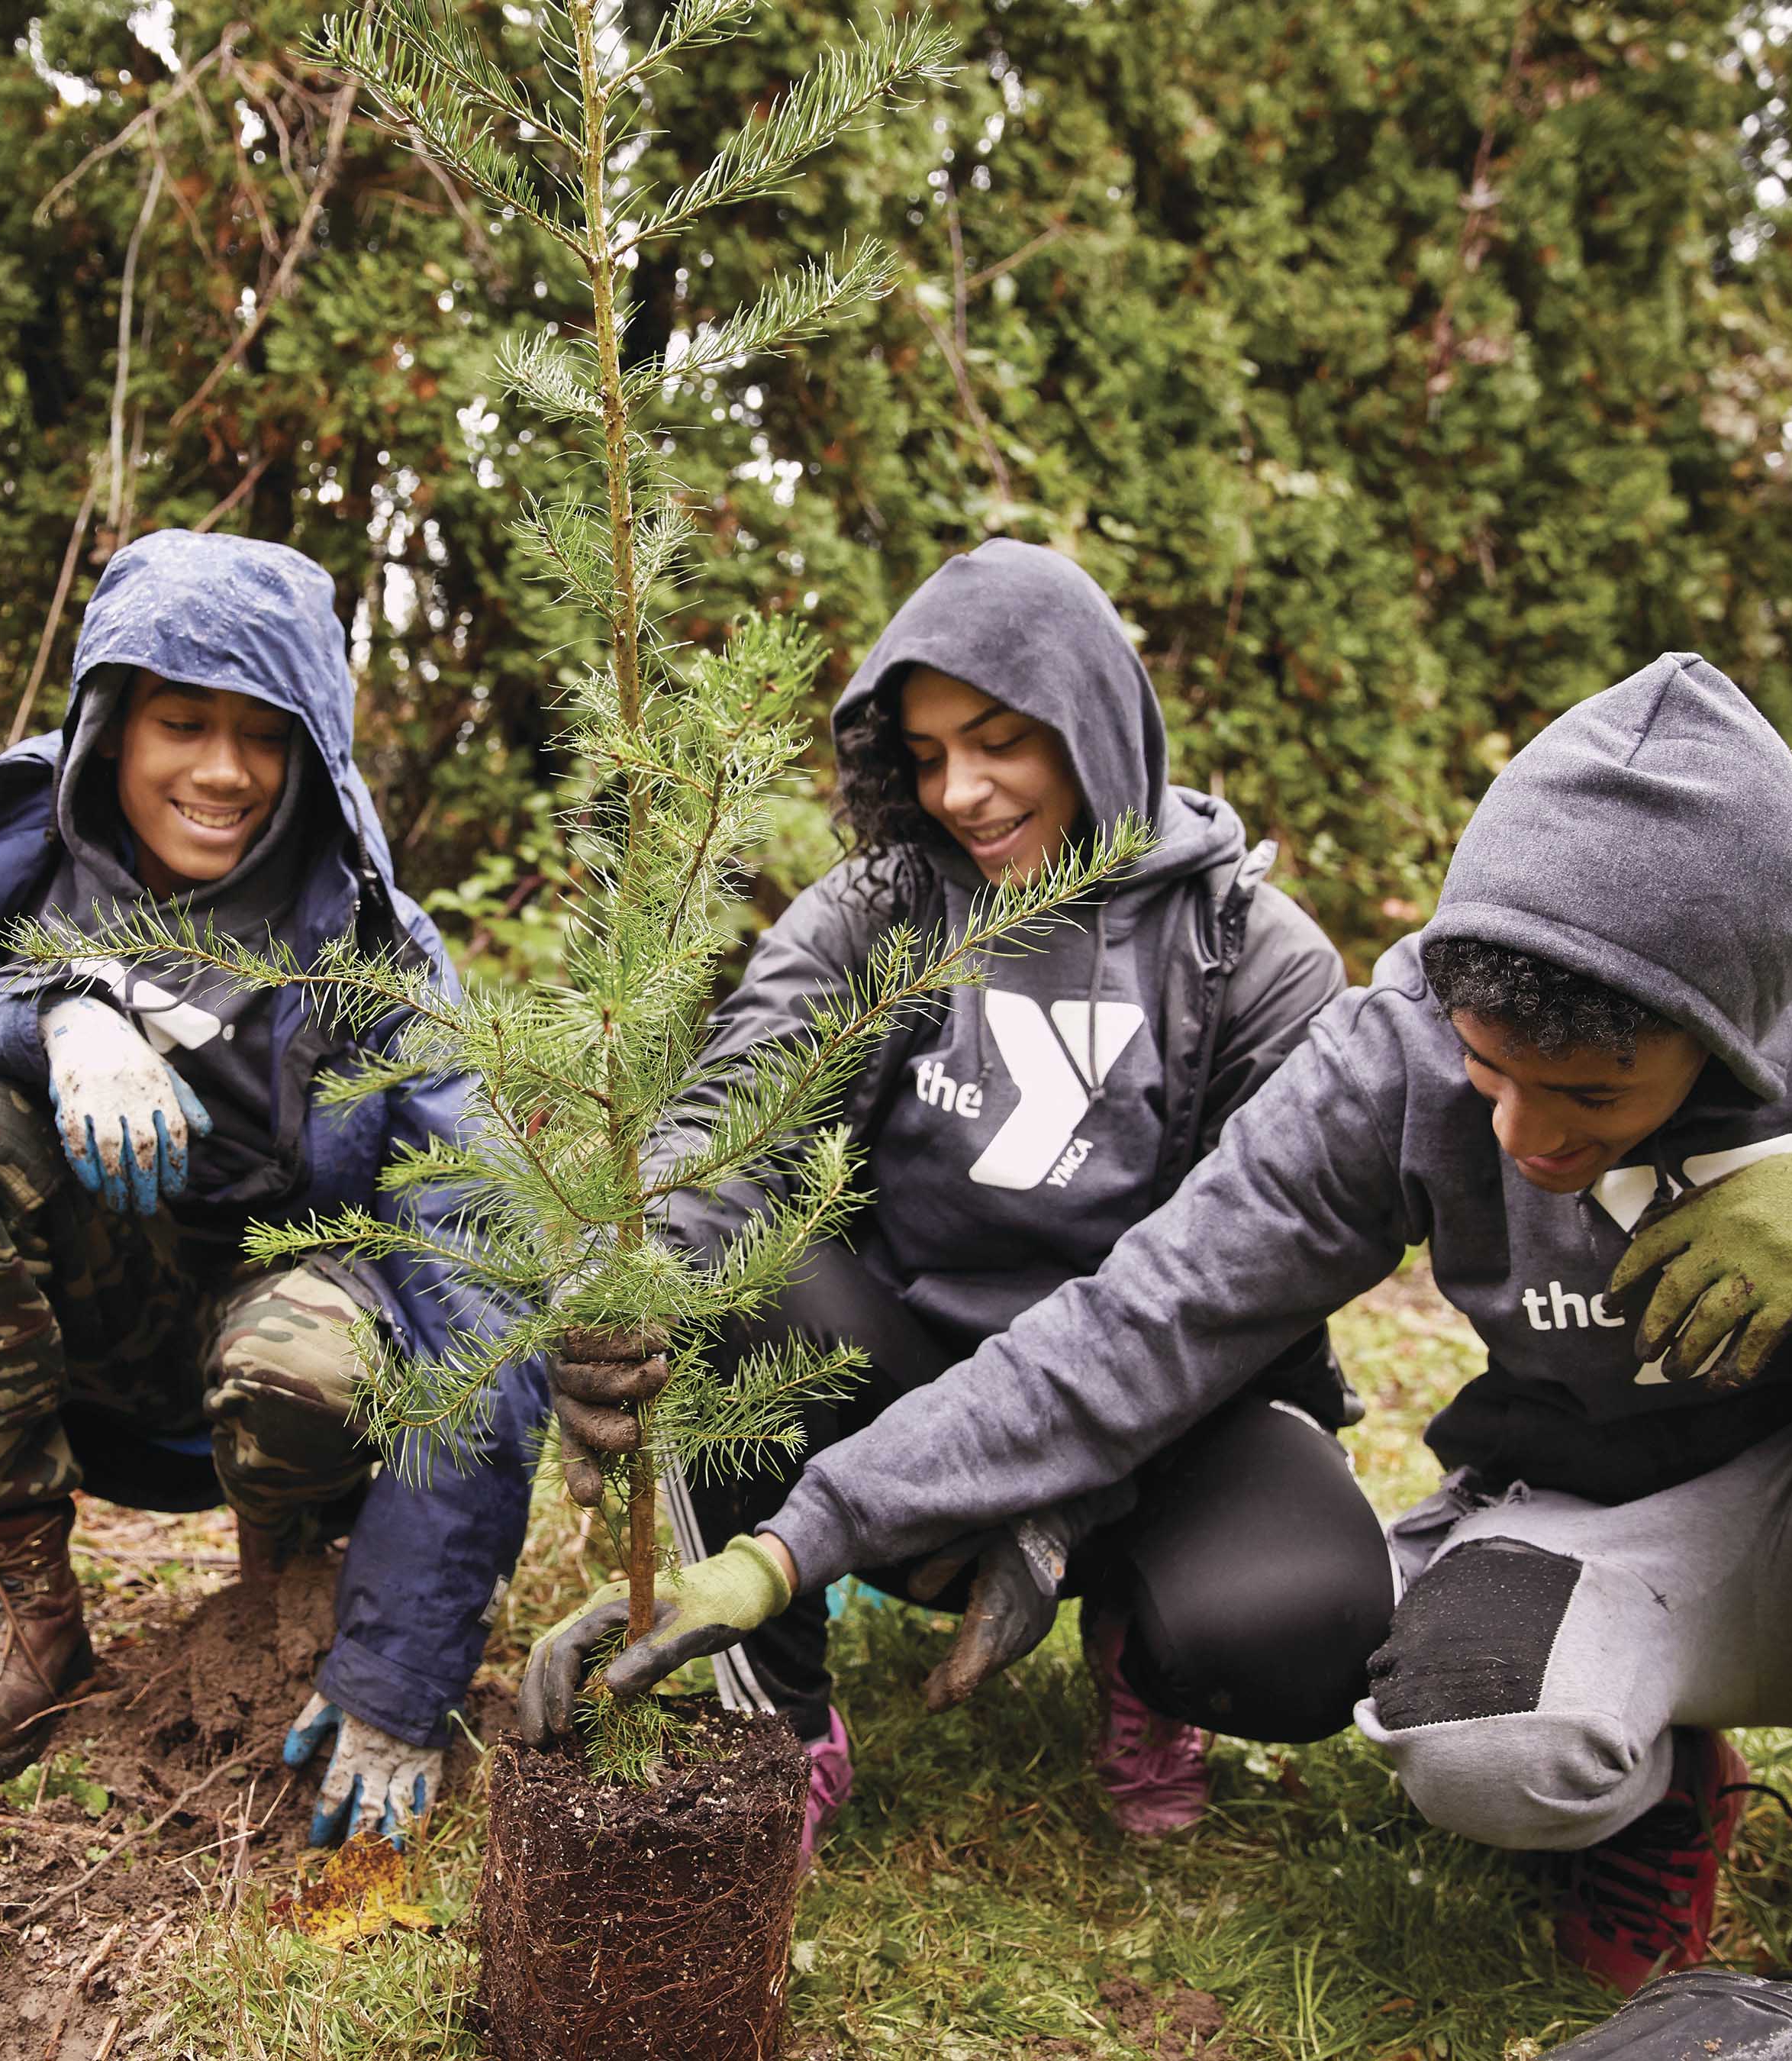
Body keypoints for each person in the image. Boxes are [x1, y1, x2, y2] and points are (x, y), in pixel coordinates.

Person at [528, 652, 1792, 2056]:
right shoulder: (1401, 1040)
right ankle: (1653, 1784)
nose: (1524, 1137)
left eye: (1587, 1097)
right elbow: (1142, 1322)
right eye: (1491, 1077)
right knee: (1478, 1746)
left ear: (1738, 1034)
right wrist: (789, 1546)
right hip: (1617, 1515)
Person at [542, 540, 1396, 1858]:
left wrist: (1065, 1505)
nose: (963, 791)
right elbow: (731, 1123)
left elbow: (1236, 1293)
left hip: (1166, 1407)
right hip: (912, 1374)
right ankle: (778, 1721)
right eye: (930, 754)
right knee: (728, 1271)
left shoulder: (1253, 958)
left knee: (1302, 1623)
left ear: (1098, 727)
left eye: (1002, 741)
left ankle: (1143, 1646)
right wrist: (631, 1274)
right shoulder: (880, 912)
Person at [0, 530, 545, 1849]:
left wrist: (404, 1671)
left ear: (312, 748)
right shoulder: (16, 861)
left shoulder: (373, 941)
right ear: (112, 725)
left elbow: (479, 1283)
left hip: (278, 1360)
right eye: (181, 722)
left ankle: (293, 1595)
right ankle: (25, 1613)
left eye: (264, 733)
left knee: (320, 1355)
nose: (222, 770)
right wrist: (57, 1008)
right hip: (87, 1347)